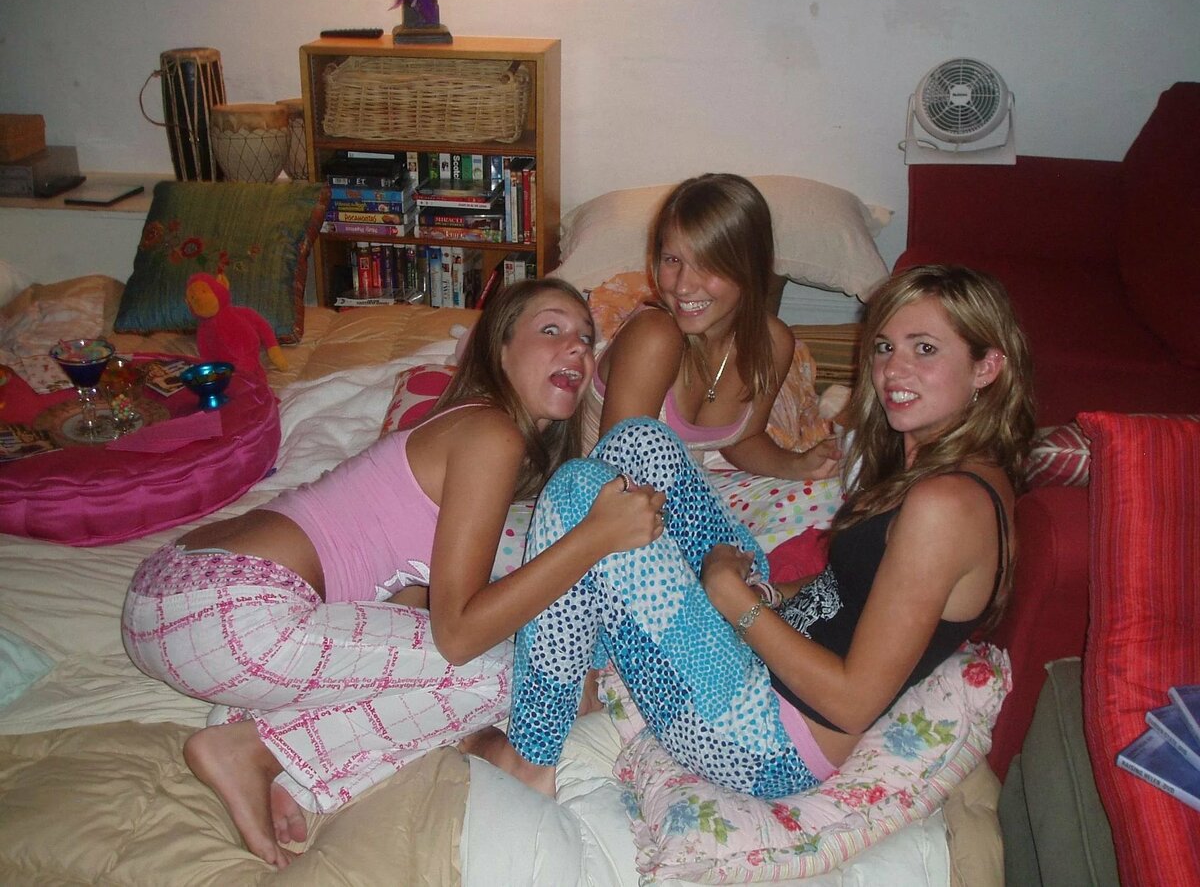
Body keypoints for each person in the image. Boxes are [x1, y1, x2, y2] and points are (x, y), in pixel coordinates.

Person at [120, 278, 667, 869]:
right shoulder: (491, 433)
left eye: (587, 338)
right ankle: (255, 749)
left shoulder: (464, 431)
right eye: (552, 329)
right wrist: (593, 539)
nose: (578, 348)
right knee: (526, 675)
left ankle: (259, 737)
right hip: (232, 608)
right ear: (499, 348)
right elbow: (458, 634)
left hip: (170, 601)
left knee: (469, 667)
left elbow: (404, 616)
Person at [469, 264, 1035, 800]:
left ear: (987, 366)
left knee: (578, 491)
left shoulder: (946, 506)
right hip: (762, 647)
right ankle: (584, 672)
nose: (893, 370)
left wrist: (735, 601)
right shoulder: (949, 470)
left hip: (763, 738)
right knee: (640, 442)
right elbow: (858, 592)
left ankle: (529, 758)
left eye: (925, 348)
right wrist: (765, 593)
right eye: (886, 347)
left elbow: (852, 703)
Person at [583, 172, 841, 482]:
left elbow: (743, 441)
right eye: (672, 260)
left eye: (707, 264)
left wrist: (800, 465)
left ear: (751, 266)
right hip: (600, 494)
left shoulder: (773, 342)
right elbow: (619, 475)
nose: (683, 286)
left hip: (673, 493)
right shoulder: (654, 336)